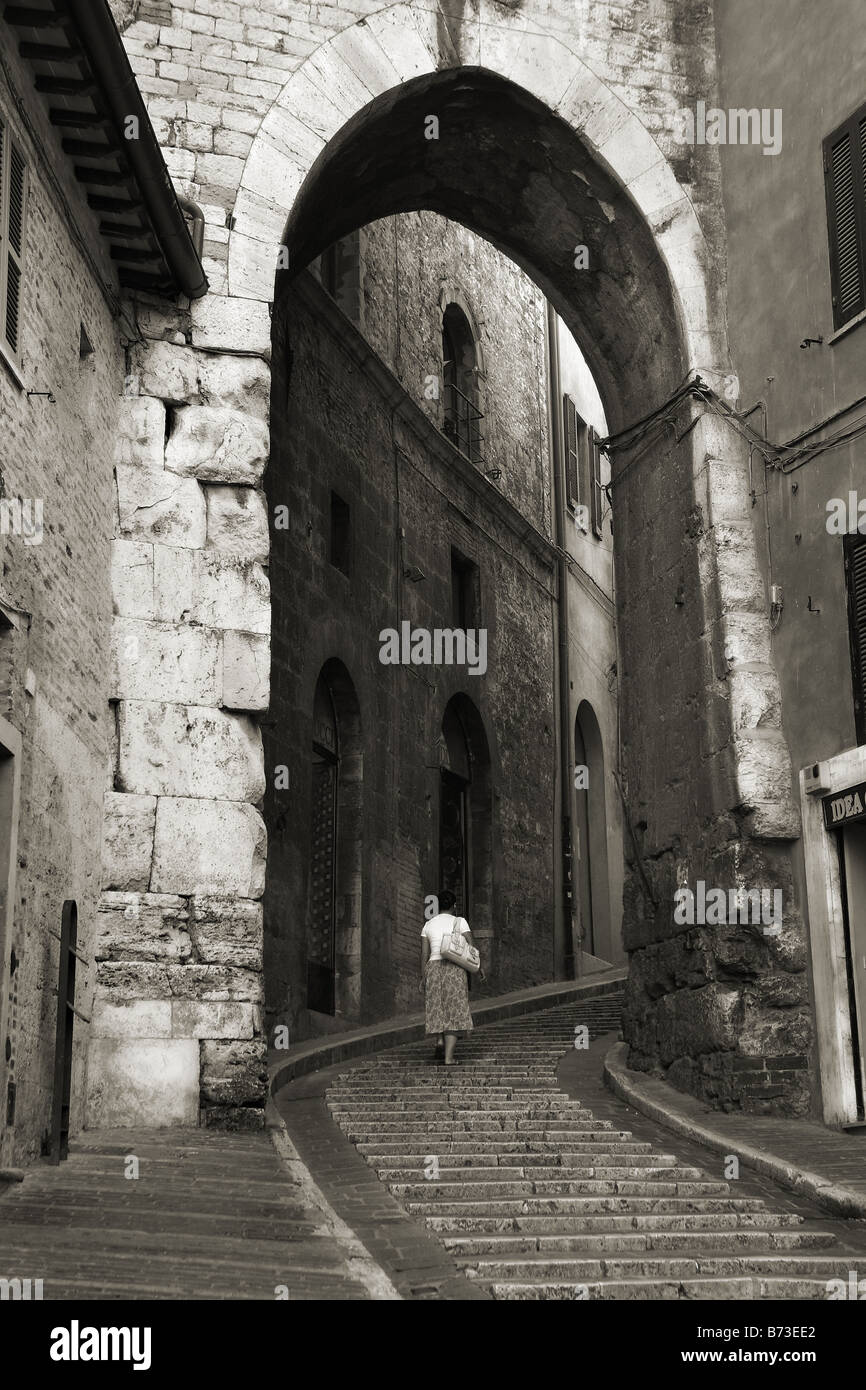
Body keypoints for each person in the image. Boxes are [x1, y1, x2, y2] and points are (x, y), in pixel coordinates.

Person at [419, 890, 483, 1065]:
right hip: (453, 968)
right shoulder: (459, 921)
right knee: (453, 1011)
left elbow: (424, 953)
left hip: (433, 968)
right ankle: (449, 1058)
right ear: (454, 906)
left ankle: (439, 1040)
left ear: (437, 906)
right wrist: (479, 967)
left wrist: (423, 977)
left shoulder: (428, 925)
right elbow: (471, 946)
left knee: (438, 1007)